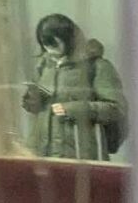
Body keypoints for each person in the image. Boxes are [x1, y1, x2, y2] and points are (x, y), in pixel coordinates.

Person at [20, 13, 125, 162]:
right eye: (45, 44)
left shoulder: (96, 66)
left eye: (53, 43)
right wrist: (31, 101)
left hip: (80, 156)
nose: (49, 49)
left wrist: (73, 109)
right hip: (40, 154)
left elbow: (116, 109)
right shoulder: (43, 64)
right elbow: (35, 108)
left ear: (68, 39)